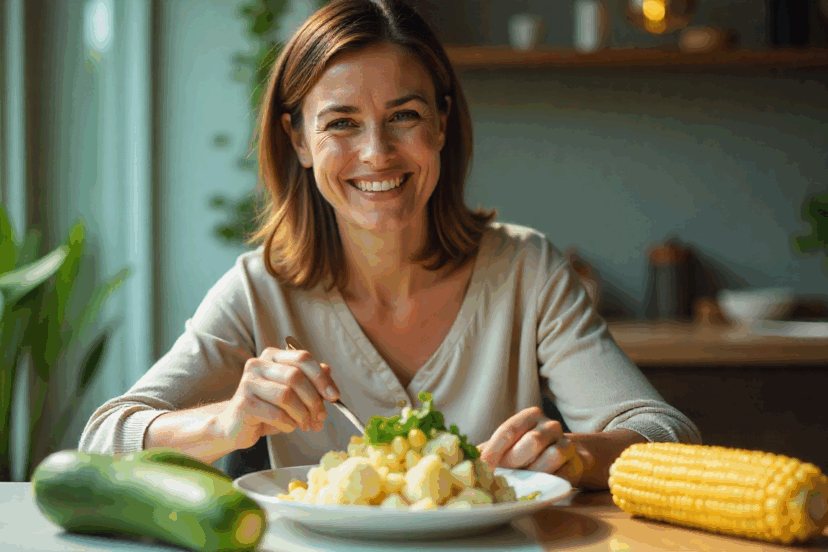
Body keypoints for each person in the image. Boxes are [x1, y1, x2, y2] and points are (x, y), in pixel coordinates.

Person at [79, 0, 700, 490]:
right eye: (341, 123)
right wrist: (226, 421)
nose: (376, 153)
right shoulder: (256, 291)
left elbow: (667, 436)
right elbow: (103, 437)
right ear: (298, 141)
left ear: (442, 122)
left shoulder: (525, 269)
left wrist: (576, 454)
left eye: (404, 115)